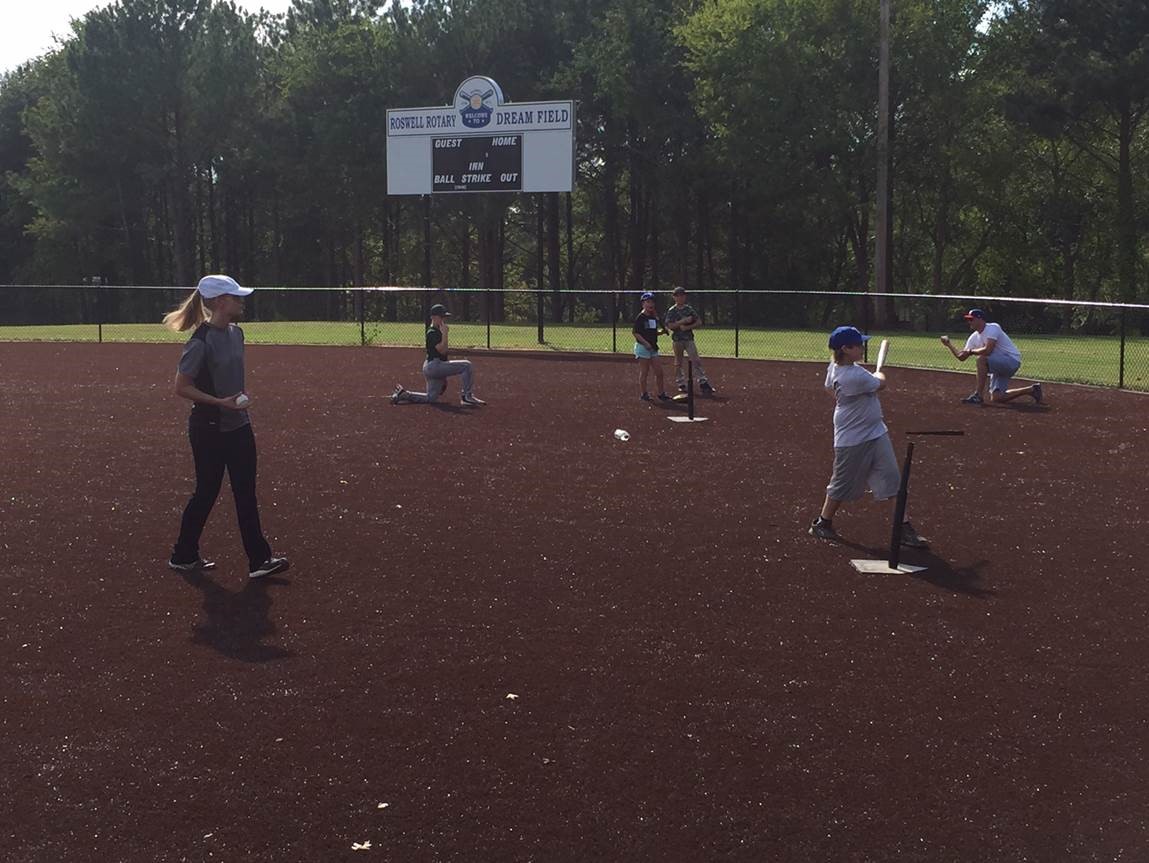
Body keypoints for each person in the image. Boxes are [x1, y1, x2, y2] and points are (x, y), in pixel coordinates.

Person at [163, 275, 289, 580]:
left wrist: (236, 400)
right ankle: (183, 554)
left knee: (246, 492)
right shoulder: (200, 341)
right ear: (220, 302)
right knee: (206, 492)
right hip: (208, 429)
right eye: (235, 297)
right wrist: (220, 402)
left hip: (239, 425)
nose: (241, 302)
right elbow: (181, 387)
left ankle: (259, 560)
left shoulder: (237, 333)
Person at [809, 326, 928, 547]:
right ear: (846, 349)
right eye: (858, 345)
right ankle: (823, 522)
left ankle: (903, 528)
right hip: (853, 437)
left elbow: (829, 388)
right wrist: (878, 374)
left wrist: (851, 400)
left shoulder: (839, 367)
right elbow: (881, 382)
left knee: (893, 479)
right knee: (841, 483)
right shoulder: (853, 375)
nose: (862, 348)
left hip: (876, 431)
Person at [941, 309, 1043, 405]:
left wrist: (971, 351)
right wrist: (949, 345)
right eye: (968, 320)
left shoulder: (993, 328)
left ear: (980, 319)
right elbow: (961, 357)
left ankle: (978, 395)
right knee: (997, 397)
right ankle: (1032, 390)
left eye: (971, 319)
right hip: (998, 366)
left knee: (981, 359)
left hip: (1011, 361)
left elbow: (988, 350)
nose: (969, 322)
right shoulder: (973, 337)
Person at [391, 303, 486, 406]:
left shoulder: (437, 331)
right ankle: (467, 396)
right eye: (441, 317)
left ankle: (404, 394)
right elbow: (441, 350)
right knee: (467, 365)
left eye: (444, 317)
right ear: (433, 317)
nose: (443, 320)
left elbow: (444, 352)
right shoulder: (432, 332)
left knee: (431, 398)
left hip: (434, 366)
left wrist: (443, 375)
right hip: (434, 366)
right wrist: (445, 334)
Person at [664, 286, 716, 394]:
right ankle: (681, 383)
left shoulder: (689, 309)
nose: (680, 298)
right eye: (678, 296)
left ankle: (703, 382)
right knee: (678, 362)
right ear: (674, 297)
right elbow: (669, 325)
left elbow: (699, 322)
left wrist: (688, 327)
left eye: (682, 295)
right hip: (677, 340)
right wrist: (682, 321)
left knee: (695, 360)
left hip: (689, 339)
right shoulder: (672, 311)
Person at [633, 291, 671, 402]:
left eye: (652, 302)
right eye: (648, 302)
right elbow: (636, 333)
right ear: (643, 304)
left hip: (653, 347)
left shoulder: (653, 317)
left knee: (659, 372)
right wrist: (645, 343)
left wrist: (661, 332)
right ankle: (644, 394)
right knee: (644, 372)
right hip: (643, 348)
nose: (651, 304)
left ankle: (661, 393)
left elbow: (652, 332)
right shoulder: (640, 317)